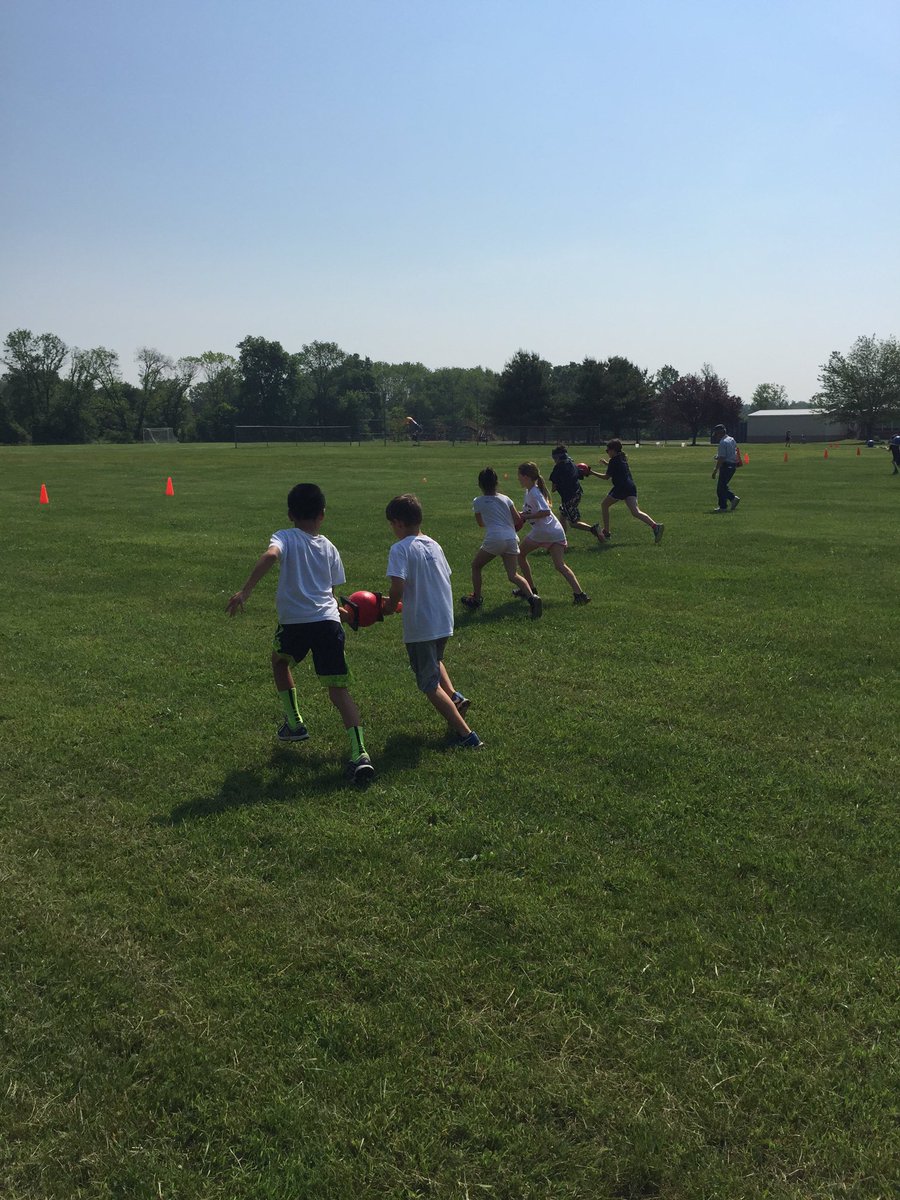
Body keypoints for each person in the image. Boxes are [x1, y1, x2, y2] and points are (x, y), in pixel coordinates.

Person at [226, 482, 374, 784]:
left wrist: (246, 591)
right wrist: (341, 614)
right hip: (327, 624)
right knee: (338, 690)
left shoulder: (285, 536)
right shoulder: (330, 547)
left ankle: (294, 724)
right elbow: (332, 594)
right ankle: (359, 754)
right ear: (322, 514)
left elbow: (270, 556)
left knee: (279, 662)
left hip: (294, 623)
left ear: (291, 514)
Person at [381, 493, 483, 748]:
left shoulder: (399, 549)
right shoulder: (433, 544)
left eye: (392, 524)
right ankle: (455, 697)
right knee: (435, 661)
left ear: (398, 523)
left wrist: (389, 607)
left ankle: (466, 735)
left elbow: (397, 587)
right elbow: (440, 578)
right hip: (443, 620)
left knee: (428, 684)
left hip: (421, 626)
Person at [460, 467, 542, 618]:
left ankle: (477, 598)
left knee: (476, 566)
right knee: (513, 575)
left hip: (495, 538)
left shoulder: (478, 501)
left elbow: (480, 523)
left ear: (480, 484)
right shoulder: (506, 498)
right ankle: (533, 598)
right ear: (496, 482)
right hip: (511, 538)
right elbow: (518, 519)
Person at [516, 462, 591, 605]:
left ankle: (530, 590)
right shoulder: (532, 491)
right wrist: (521, 514)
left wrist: (525, 517)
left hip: (543, 532)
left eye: (519, 476)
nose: (518, 478)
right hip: (555, 531)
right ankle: (580, 594)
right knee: (560, 565)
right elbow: (533, 511)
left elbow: (545, 511)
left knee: (520, 555)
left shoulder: (534, 493)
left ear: (525, 477)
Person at [597, 439, 665, 543]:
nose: (607, 452)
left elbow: (606, 477)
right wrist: (607, 463)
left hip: (621, 487)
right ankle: (656, 526)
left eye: (608, 450)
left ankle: (606, 531)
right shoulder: (622, 458)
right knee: (636, 512)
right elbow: (615, 468)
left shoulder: (614, 460)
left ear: (613, 450)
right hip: (630, 486)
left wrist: (591, 472)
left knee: (604, 505)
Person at [549, 445, 603, 543]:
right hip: (577, 493)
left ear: (558, 457)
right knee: (562, 516)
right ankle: (562, 540)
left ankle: (593, 529)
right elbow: (579, 474)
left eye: (554, 458)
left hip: (568, 497)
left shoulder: (558, 468)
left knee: (573, 523)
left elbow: (553, 488)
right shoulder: (571, 463)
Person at [710, 423, 742, 512]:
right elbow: (732, 452)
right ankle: (732, 499)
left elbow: (722, 458)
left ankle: (724, 506)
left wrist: (715, 470)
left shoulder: (722, 443)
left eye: (716, 433)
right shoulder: (731, 439)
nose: (715, 436)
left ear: (720, 433)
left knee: (720, 488)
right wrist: (719, 456)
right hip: (732, 465)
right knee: (723, 486)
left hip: (726, 466)